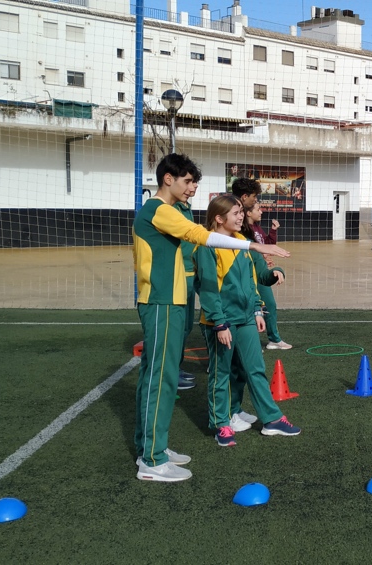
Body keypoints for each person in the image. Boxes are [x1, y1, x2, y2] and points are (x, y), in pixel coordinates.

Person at [133, 154, 289, 482]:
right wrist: (254, 246)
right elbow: (200, 236)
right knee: (159, 379)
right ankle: (150, 459)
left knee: (163, 378)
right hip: (162, 303)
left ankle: (153, 447)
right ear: (168, 180)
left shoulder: (174, 210)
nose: (192, 188)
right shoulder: (158, 211)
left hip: (176, 302)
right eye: (188, 181)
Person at [196, 194, 302, 447]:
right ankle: (221, 424)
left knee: (255, 370)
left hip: (245, 319)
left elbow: (252, 280)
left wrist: (257, 309)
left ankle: (272, 419)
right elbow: (208, 289)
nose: (241, 216)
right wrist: (219, 323)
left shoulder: (243, 242)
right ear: (219, 218)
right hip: (220, 322)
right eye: (235, 213)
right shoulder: (207, 246)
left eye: (241, 212)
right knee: (220, 375)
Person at [241, 199, 291, 350]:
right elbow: (250, 249)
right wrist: (261, 257)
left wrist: (273, 231)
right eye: (258, 209)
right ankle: (250, 343)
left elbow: (266, 244)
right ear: (248, 213)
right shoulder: (243, 232)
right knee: (253, 307)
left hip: (260, 271)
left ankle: (273, 339)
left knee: (269, 305)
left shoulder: (256, 228)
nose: (261, 211)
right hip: (251, 273)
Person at [173, 191, 198, 392]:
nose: (192, 188)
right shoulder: (170, 209)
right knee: (177, 327)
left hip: (190, 273)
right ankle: (171, 373)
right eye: (188, 182)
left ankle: (177, 368)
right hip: (178, 276)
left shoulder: (186, 207)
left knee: (186, 326)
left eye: (195, 183)